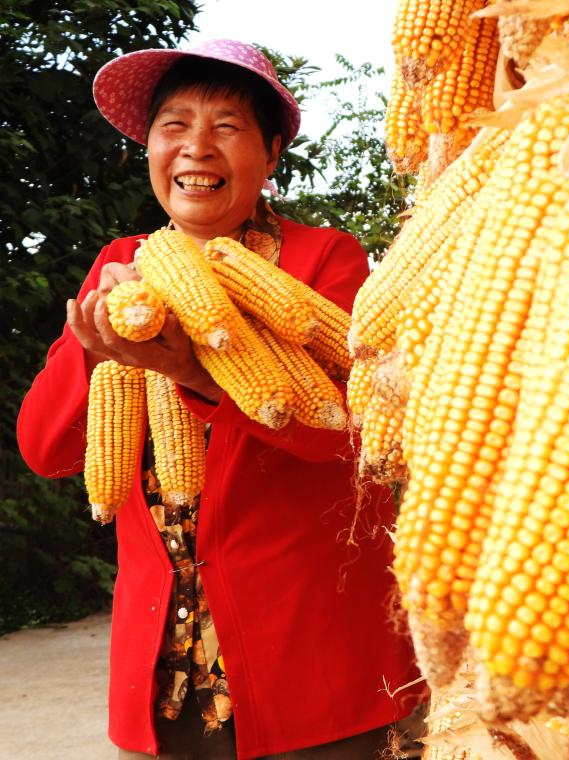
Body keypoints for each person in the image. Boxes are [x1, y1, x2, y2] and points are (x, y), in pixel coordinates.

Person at [17, 39, 425, 759]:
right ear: (147, 149)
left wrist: (197, 372)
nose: (195, 147)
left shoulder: (322, 260)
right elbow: (46, 450)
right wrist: (101, 342)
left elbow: (357, 439)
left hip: (313, 661)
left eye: (227, 128)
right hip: (164, 674)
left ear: (270, 156)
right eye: (173, 125)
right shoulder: (117, 265)